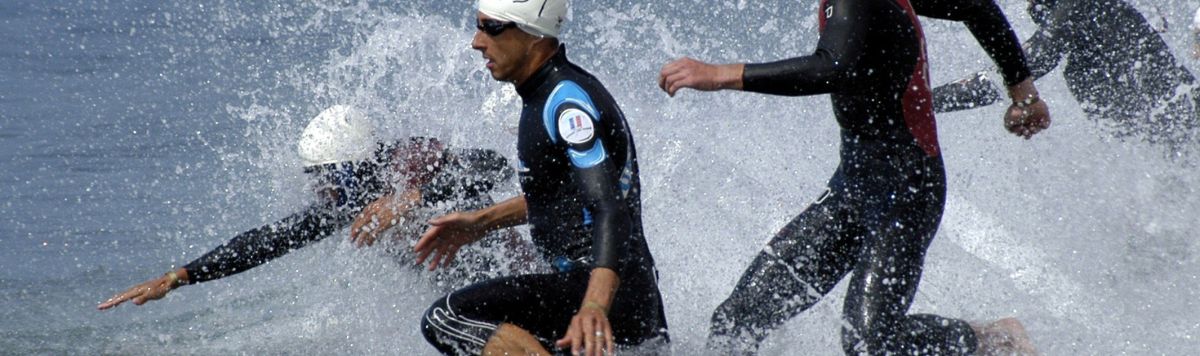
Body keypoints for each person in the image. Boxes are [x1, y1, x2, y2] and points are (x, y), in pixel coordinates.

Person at [658, 0, 1050, 354]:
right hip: (852, 190)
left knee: (870, 343)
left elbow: (833, 67)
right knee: (737, 321)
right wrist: (1023, 93)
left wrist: (721, 74)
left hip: (906, 194)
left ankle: (993, 341)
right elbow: (976, 7)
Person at [413, 1, 669, 355]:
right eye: (478, 26)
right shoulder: (544, 93)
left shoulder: (565, 103)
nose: (477, 41)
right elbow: (564, 198)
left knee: (448, 319)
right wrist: (482, 221)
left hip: (605, 294)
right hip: (613, 294)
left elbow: (609, 207)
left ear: (533, 35)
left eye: (492, 28)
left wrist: (594, 307)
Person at [97, 105, 517, 310]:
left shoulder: (408, 162)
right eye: (316, 179)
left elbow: (493, 165)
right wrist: (179, 276)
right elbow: (268, 241)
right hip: (461, 293)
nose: (323, 190)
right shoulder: (346, 204)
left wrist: (410, 198)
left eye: (331, 177)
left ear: (360, 164)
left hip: (512, 273)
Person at [933, 0, 1199, 154]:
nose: (1029, 6)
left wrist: (917, 99)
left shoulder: (1081, 7)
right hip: (1168, 161)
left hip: (1183, 152)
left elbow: (1009, 75)